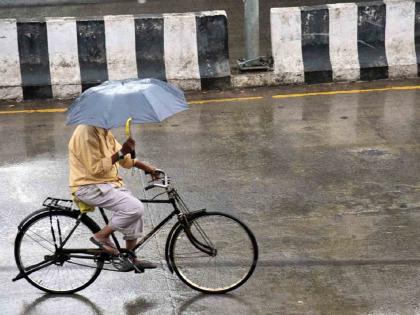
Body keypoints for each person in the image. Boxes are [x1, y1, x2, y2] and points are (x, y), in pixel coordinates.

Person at [68, 124, 158, 270]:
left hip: (106, 183)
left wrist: (145, 166)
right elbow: (95, 169)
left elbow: (125, 161)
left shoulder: (103, 131)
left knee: (135, 213)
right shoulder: (86, 132)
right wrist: (121, 152)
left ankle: (130, 257)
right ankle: (101, 236)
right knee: (134, 207)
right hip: (88, 186)